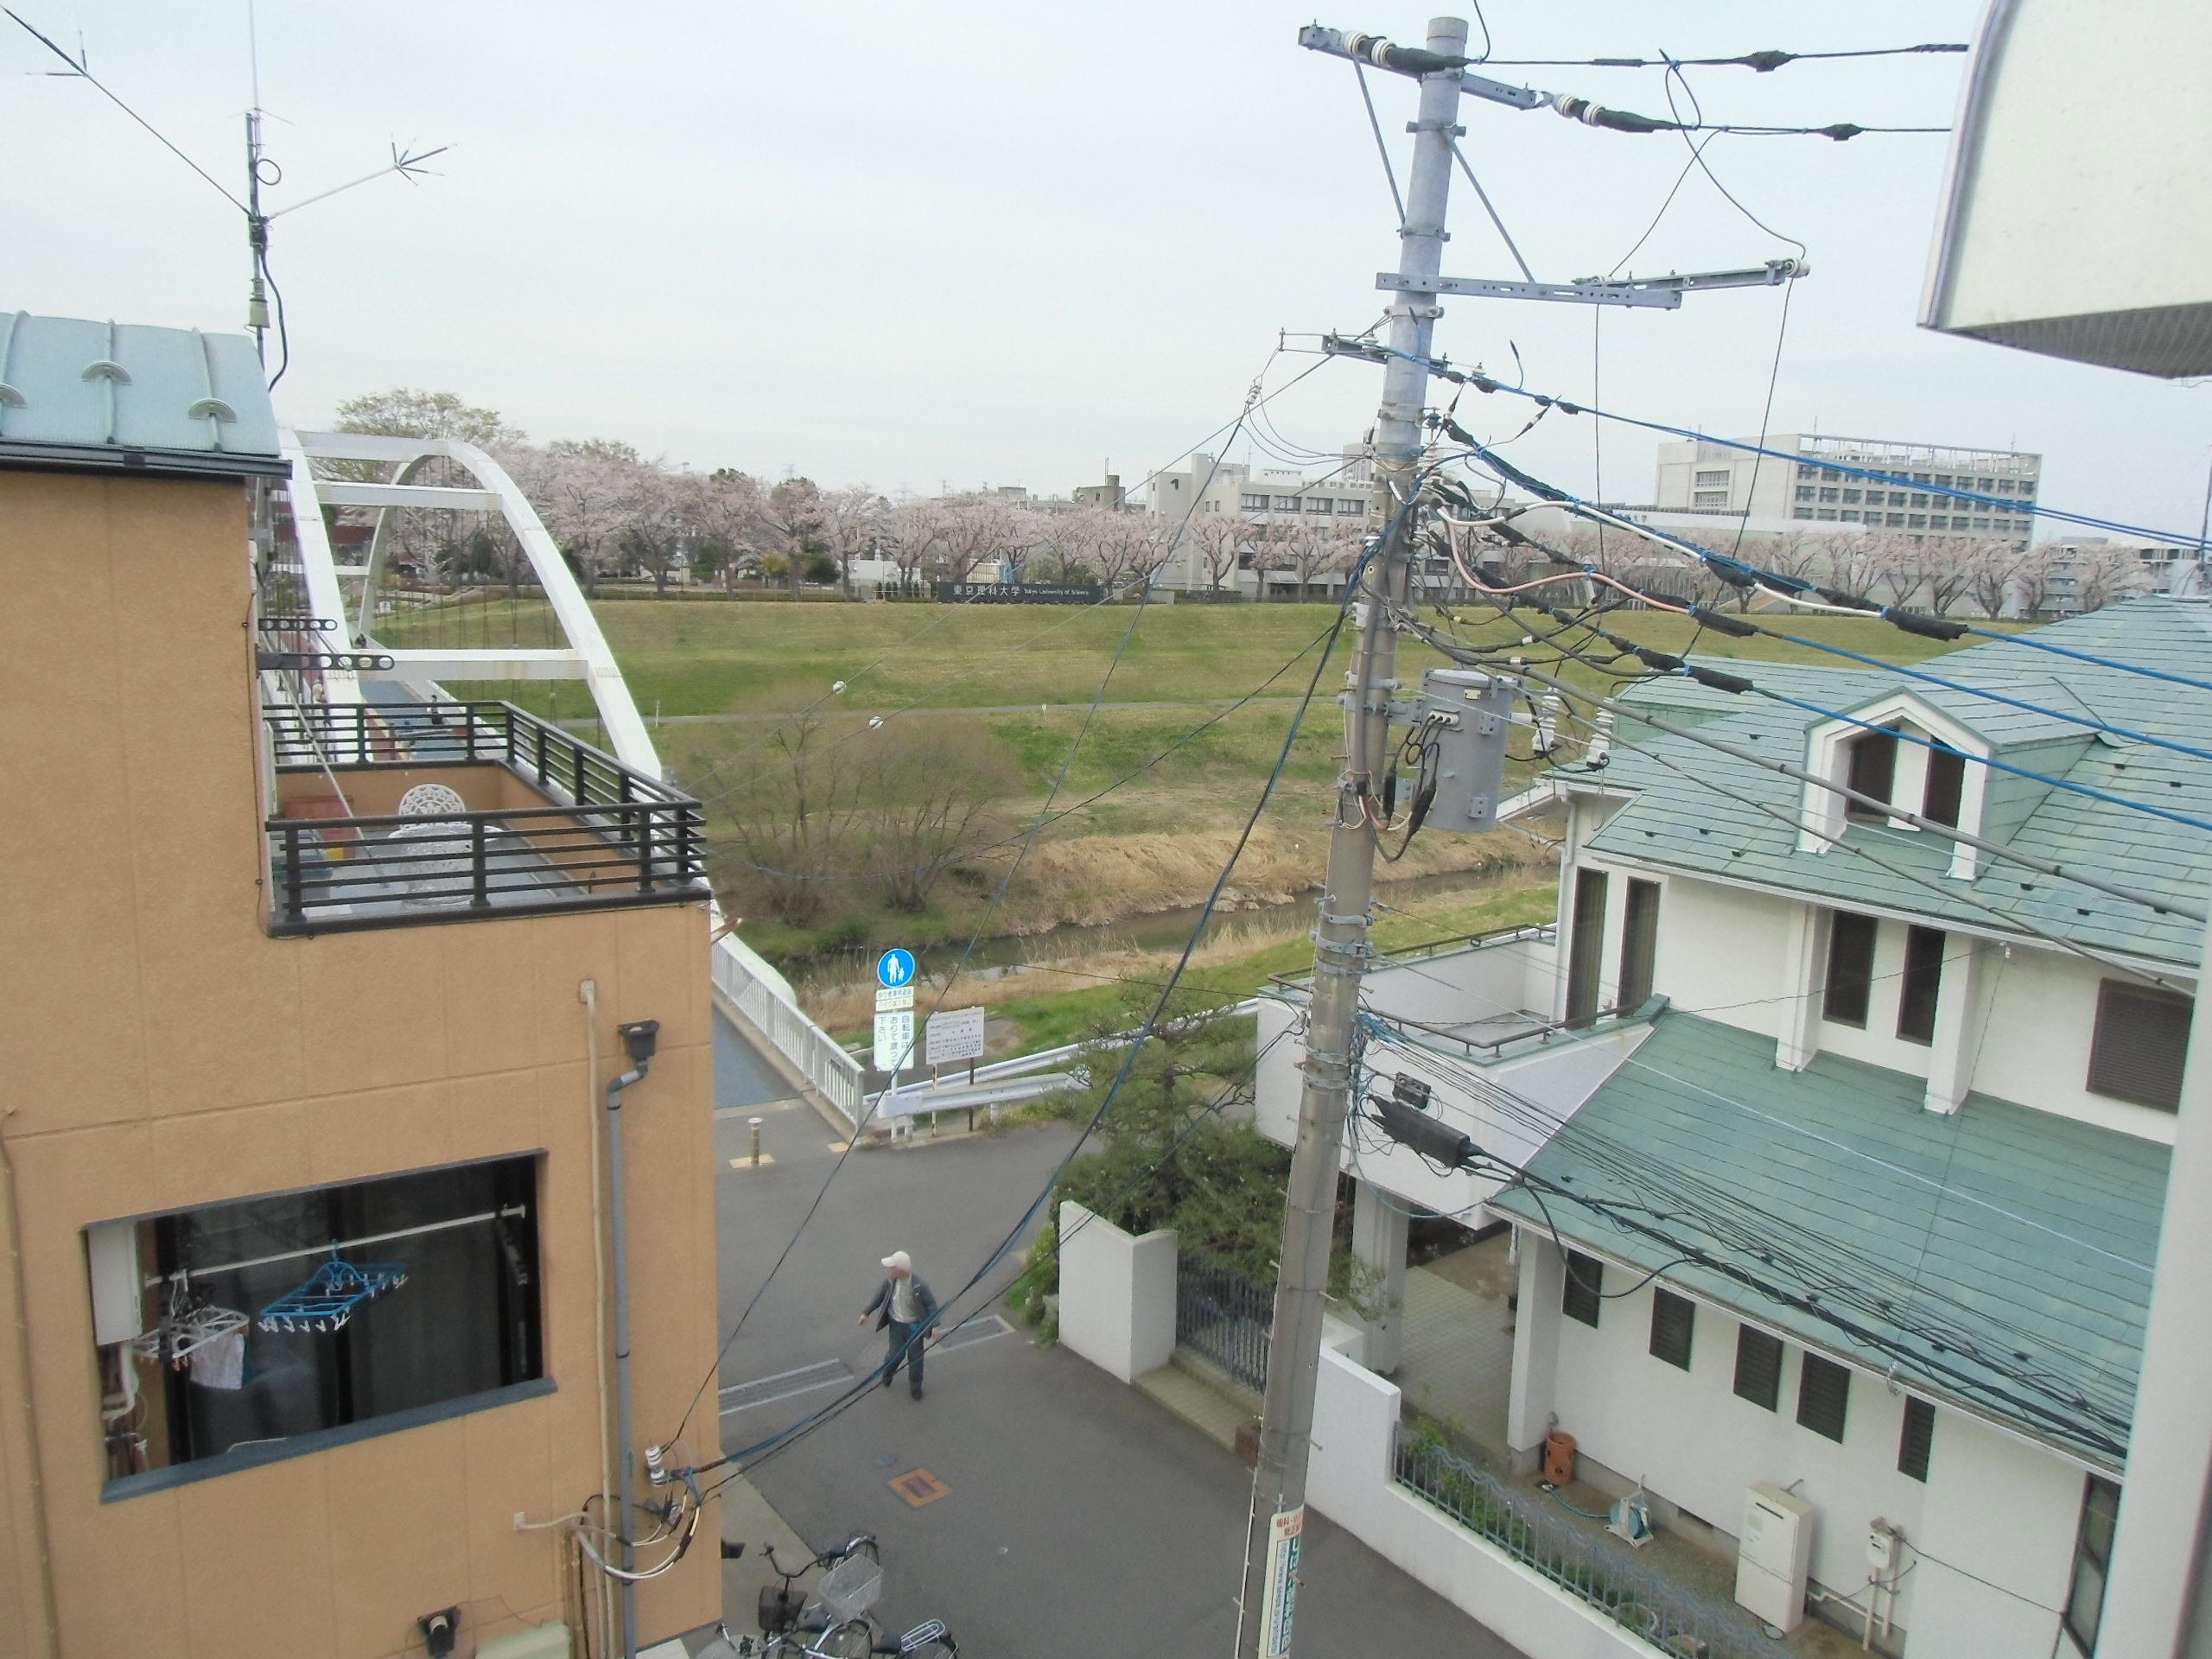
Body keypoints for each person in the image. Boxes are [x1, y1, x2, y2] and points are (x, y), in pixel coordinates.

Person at [858, 1249, 938, 1400]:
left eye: (892, 1267)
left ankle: (915, 1386)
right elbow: (878, 1298)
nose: (890, 1270)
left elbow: (932, 1305)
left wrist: (935, 1326)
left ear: (901, 1270)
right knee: (895, 1355)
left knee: (916, 1359)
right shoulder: (890, 1282)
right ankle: (888, 1373)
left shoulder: (919, 1285)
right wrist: (866, 1313)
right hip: (897, 1325)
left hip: (915, 1327)